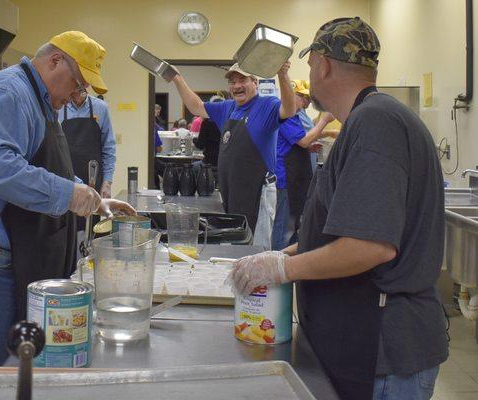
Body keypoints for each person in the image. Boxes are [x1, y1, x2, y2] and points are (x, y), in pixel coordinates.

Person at [229, 17, 448, 400]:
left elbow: (370, 246)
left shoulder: (376, 121)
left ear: (322, 64)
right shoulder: (364, 121)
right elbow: (341, 229)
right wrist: (281, 253)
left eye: (309, 64)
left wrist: (284, 269)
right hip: (356, 338)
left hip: (383, 348)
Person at [0, 31, 135, 387]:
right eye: (78, 85)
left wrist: (92, 198)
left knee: (11, 358)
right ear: (54, 62)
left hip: (11, 249)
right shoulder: (9, 93)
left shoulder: (41, 101)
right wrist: (66, 195)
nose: (75, 97)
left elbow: (49, 168)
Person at [171, 62, 296, 249]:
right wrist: (176, 78)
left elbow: (289, 110)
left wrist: (283, 76)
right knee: (234, 247)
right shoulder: (228, 108)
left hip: (257, 193)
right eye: (232, 81)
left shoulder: (267, 105)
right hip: (232, 193)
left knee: (256, 251)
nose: (236, 86)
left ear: (255, 82)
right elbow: (196, 106)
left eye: (242, 80)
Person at [272, 80, 334, 251]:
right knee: (284, 226)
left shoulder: (297, 116)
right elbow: (304, 140)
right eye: (303, 97)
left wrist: (307, 149)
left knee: (292, 224)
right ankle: (278, 263)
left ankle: (289, 262)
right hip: (286, 179)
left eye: (308, 98)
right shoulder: (286, 117)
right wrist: (325, 120)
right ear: (292, 96)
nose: (307, 102)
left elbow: (296, 143)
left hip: (295, 177)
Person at [58, 89, 117, 258]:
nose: (78, 91)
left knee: (91, 231)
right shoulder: (58, 107)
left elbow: (109, 148)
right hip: (66, 181)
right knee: (66, 231)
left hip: (93, 181)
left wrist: (107, 182)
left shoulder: (101, 108)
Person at [191, 95, 224, 180]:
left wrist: (194, 140)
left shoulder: (207, 123)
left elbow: (200, 145)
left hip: (209, 162)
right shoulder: (229, 122)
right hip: (224, 163)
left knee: (192, 167)